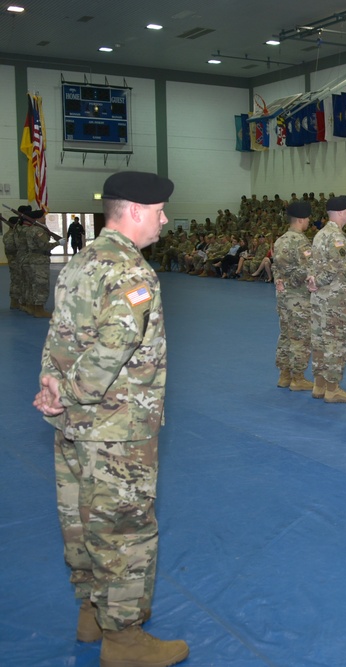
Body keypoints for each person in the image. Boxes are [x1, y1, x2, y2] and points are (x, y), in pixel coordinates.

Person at [33, 171, 189, 667]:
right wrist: (75, 392)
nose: (165, 220)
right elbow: (110, 349)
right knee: (124, 529)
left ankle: (90, 614)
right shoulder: (133, 274)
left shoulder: (83, 260)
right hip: (117, 429)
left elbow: (60, 332)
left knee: (81, 519)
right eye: (160, 211)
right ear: (137, 211)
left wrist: (51, 388)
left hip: (72, 424)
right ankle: (123, 639)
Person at [308, 196, 346, 403]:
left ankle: (319, 385)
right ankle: (333, 388)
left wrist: (312, 281)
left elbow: (312, 264)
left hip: (319, 298)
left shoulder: (319, 234)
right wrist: (320, 281)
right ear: (340, 212)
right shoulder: (336, 237)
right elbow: (337, 267)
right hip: (333, 298)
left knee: (320, 340)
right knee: (336, 341)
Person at [273, 202, 315, 392]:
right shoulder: (300, 241)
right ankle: (298, 377)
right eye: (307, 219)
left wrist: (281, 281)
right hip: (298, 297)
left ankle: (284, 375)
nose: (308, 222)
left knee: (286, 334)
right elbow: (306, 270)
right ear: (301, 219)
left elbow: (276, 267)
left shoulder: (280, 240)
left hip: (283, 296)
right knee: (300, 337)